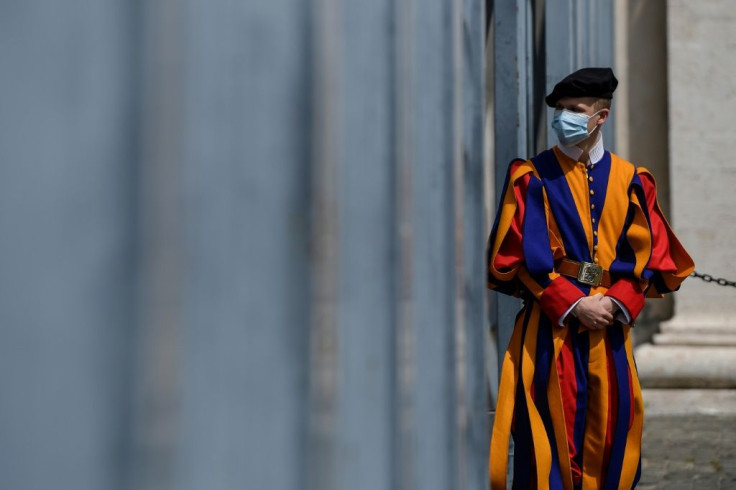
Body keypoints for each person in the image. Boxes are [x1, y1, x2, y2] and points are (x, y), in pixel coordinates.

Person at [486, 67, 694, 489]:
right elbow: (517, 257)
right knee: (545, 445)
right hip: (548, 329)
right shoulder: (532, 177)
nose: (564, 118)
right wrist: (573, 303)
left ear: (601, 117)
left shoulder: (633, 180)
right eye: (560, 110)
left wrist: (614, 302)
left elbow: (649, 258)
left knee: (613, 439)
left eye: (575, 110)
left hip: (609, 329)